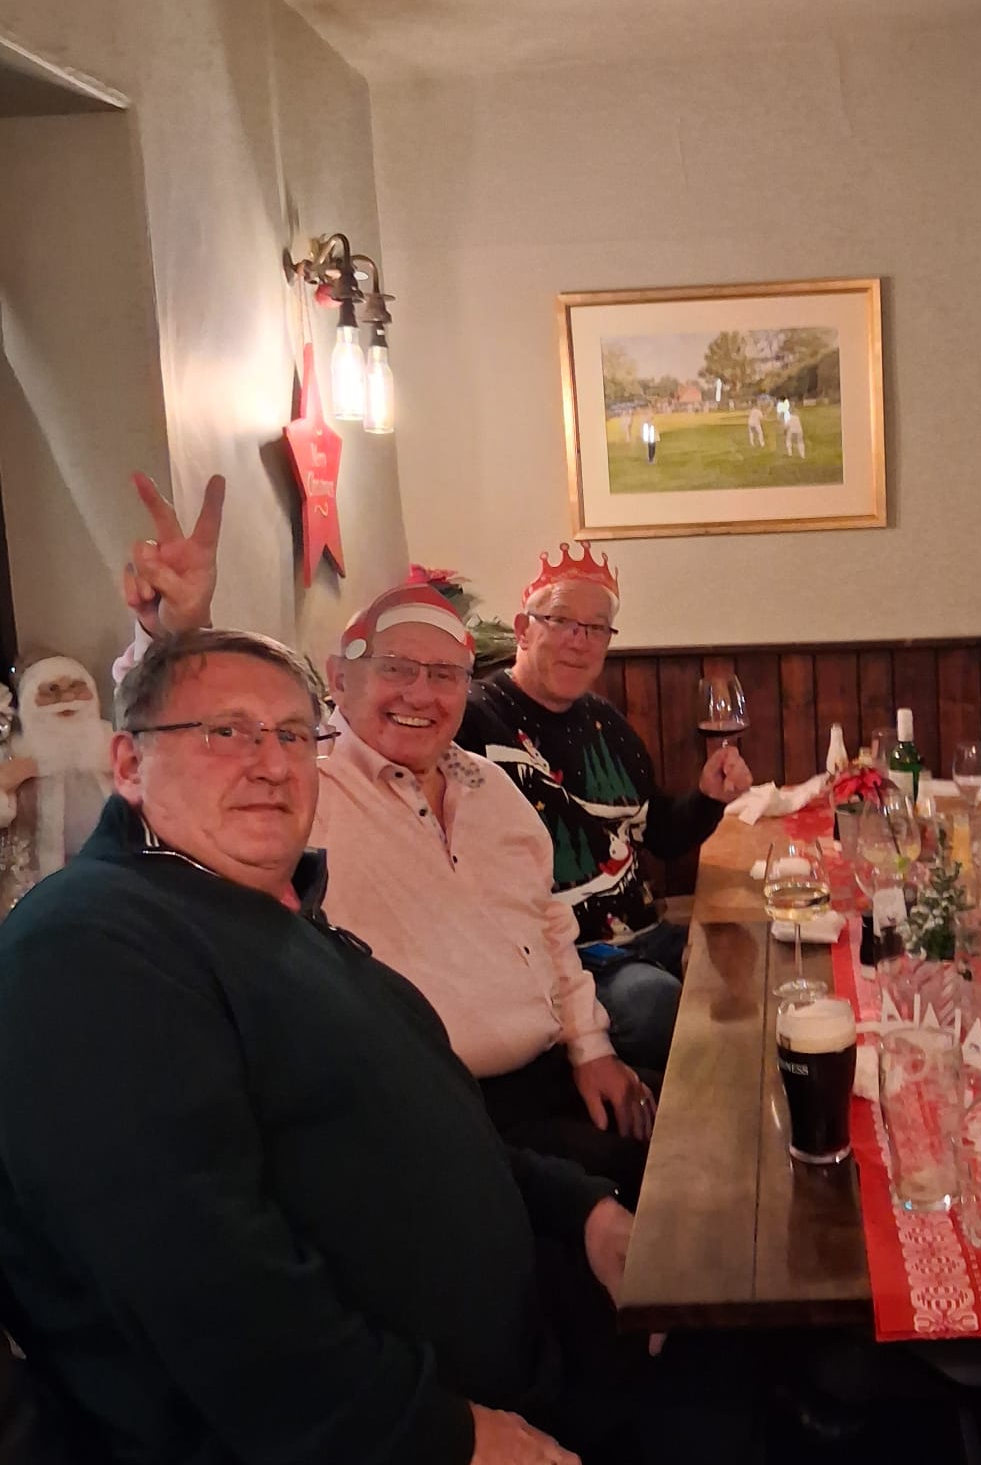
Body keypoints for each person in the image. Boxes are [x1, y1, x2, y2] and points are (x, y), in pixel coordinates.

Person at [0, 628, 823, 1465]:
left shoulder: (277, 918)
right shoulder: (90, 946)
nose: (270, 761)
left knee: (713, 1351)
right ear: (128, 762)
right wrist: (446, 1440)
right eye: (223, 732)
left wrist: (579, 1207)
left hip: (468, 1368)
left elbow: (430, 1126)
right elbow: (209, 1294)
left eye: (291, 735)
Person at [116, 476, 656, 1199]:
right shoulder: (303, 785)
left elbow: (549, 924)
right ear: (339, 679)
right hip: (424, 1116)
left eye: (446, 675)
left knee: (695, 1142)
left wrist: (591, 1048)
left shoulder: (493, 790)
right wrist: (172, 637)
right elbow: (180, 779)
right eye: (396, 669)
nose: (421, 694)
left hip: (549, 1076)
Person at [457, 542, 752, 1074]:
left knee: (751, 958)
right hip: (569, 962)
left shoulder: (606, 722)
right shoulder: (472, 720)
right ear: (523, 630)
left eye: (596, 628)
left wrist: (708, 797)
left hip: (646, 933)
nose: (580, 640)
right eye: (561, 621)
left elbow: (659, 834)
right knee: (660, 1007)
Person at [0, 656, 114, 910]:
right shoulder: (14, 754)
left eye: (76, 686)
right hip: (34, 894)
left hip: (109, 885)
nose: (67, 698)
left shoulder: (112, 749)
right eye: (52, 690)